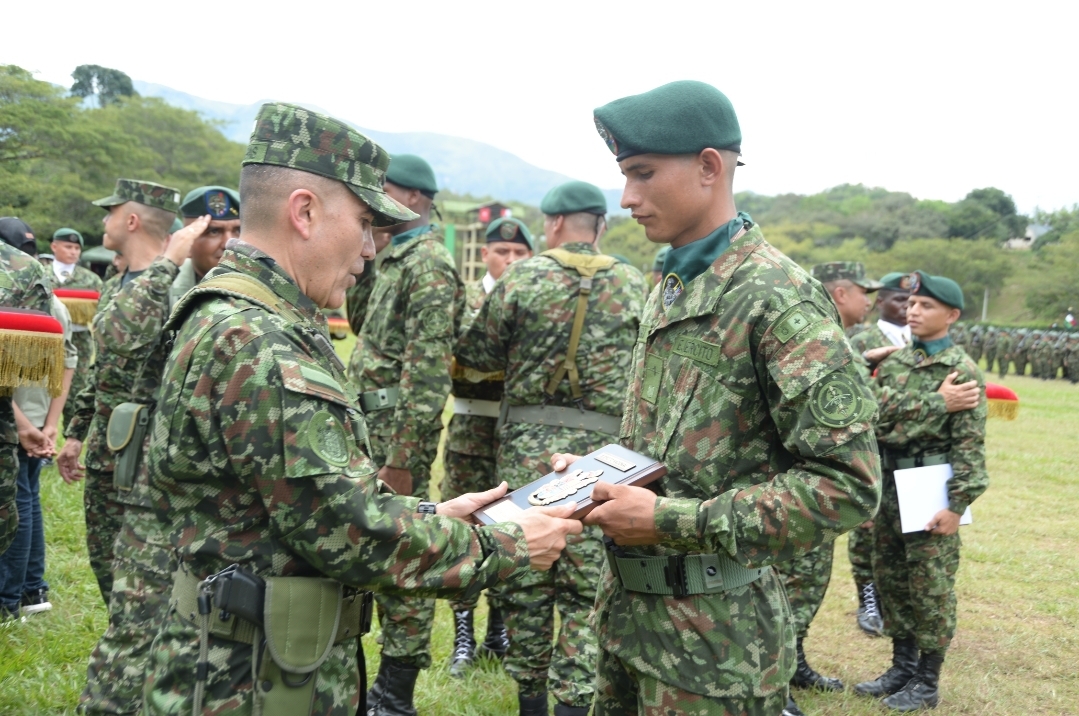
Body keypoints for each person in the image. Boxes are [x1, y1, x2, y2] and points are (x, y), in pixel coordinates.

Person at [139, 103, 582, 715]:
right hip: (251, 683)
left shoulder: (244, 317)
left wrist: (437, 512)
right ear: (305, 211)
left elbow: (293, 502)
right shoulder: (260, 342)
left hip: (255, 663)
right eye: (366, 223)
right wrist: (508, 543)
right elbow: (349, 533)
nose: (373, 249)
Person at [551, 81, 881, 716]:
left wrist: (672, 521)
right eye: (624, 176)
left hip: (716, 648)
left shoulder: (776, 297)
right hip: (630, 621)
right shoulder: (674, 282)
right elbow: (676, 443)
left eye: (643, 174)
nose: (627, 199)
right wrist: (598, 476)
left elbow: (849, 486)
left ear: (708, 167)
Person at [458, 182, 646, 716]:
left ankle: (532, 703)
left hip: (528, 455)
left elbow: (476, 352)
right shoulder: (633, 284)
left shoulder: (524, 276)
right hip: (605, 461)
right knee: (588, 590)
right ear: (599, 226)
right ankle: (573, 703)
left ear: (556, 224)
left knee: (526, 579)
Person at [78, 189, 234, 715]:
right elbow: (113, 350)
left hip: (173, 486)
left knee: (145, 616)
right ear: (186, 235)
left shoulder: (229, 295)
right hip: (122, 462)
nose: (226, 242)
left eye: (235, 231)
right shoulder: (162, 284)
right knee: (124, 602)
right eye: (213, 231)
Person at [344, 153, 464, 716]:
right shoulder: (393, 258)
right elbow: (361, 324)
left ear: (413, 198)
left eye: (384, 191)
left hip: (395, 435)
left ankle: (396, 695)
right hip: (368, 427)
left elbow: (427, 369)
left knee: (406, 557)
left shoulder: (430, 265)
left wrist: (405, 458)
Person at [856, 271, 988, 711]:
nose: (913, 311)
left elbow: (968, 446)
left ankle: (927, 681)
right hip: (890, 487)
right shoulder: (892, 363)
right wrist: (928, 406)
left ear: (951, 315)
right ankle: (902, 668)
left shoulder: (961, 371)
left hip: (931, 487)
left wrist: (957, 506)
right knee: (892, 578)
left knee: (930, 587)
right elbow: (872, 417)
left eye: (926, 306)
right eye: (911, 304)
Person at [56, 178, 183, 605]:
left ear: (131, 220)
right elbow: (101, 366)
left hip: (149, 457)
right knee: (105, 563)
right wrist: (76, 433)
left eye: (110, 212)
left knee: (146, 580)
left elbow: (121, 335)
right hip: (107, 452)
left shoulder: (175, 286)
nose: (104, 220)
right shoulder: (117, 280)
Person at [443, 214, 534, 677]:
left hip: (514, 438)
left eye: (520, 254)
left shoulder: (534, 301)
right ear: (486, 255)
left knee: (508, 524)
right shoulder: (466, 300)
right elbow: (457, 358)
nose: (511, 260)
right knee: (464, 526)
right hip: (469, 436)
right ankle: (464, 632)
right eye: (503, 252)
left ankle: (499, 627)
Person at [0, 226, 67, 612]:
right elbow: (66, 364)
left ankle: (15, 595)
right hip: (28, 416)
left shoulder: (27, 279)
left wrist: (28, 425)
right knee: (26, 502)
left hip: (20, 416)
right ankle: (30, 590)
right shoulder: (36, 282)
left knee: (20, 503)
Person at [847, 270, 911, 634]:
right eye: (900, 300)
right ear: (880, 302)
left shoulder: (923, 339)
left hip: (908, 449)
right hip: (872, 447)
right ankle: (868, 599)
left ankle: (898, 600)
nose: (907, 308)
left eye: (913, 302)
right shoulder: (859, 340)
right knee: (866, 529)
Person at [48, 229, 104, 428]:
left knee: (76, 389)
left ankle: (70, 435)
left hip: (79, 340)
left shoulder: (91, 279)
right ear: (54, 246)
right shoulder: (41, 273)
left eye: (77, 248)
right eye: (68, 246)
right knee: (44, 387)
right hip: (47, 339)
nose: (73, 252)